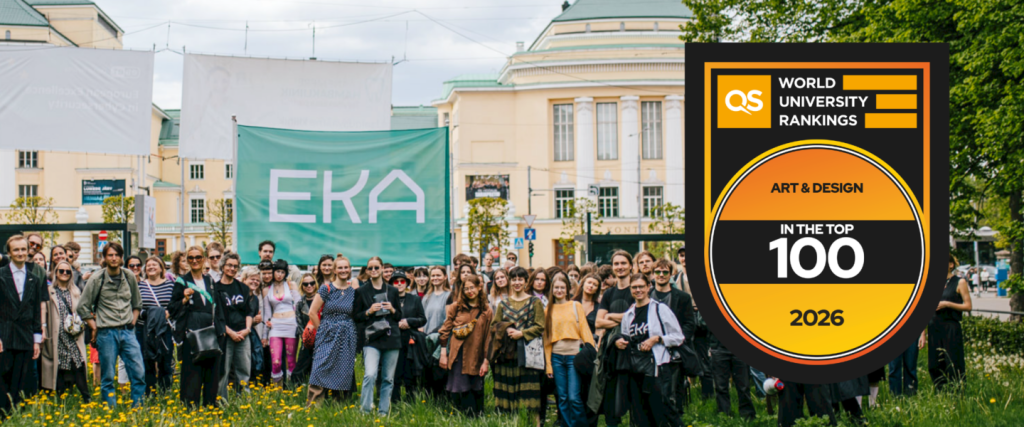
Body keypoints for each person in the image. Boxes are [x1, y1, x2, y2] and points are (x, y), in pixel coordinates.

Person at [77, 242, 146, 409]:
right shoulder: (97, 278)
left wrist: (133, 321)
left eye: (117, 255)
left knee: (138, 372)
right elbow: (82, 306)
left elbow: (137, 303)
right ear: (104, 257)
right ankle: (111, 411)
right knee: (107, 376)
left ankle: (138, 408)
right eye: (110, 255)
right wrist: (94, 326)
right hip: (106, 333)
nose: (114, 258)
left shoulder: (129, 276)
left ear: (121, 258)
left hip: (128, 331)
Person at [614, 273, 685, 427]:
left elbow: (678, 337)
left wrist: (657, 339)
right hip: (635, 368)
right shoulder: (628, 315)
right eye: (634, 287)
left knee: (662, 410)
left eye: (641, 286)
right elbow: (627, 337)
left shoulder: (660, 309)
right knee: (640, 413)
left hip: (657, 367)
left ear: (648, 287)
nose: (638, 290)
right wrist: (619, 341)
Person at [169, 246, 226, 408]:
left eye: (198, 257)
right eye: (191, 258)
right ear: (187, 261)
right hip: (191, 333)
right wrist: (184, 300)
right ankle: (190, 407)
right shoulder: (182, 282)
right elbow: (172, 309)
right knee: (191, 372)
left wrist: (221, 331)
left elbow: (219, 308)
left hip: (211, 332)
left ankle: (210, 405)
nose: (195, 261)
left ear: (204, 259)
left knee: (211, 372)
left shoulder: (210, 281)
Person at [491, 266, 546, 426]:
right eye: (513, 279)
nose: (516, 282)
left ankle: (535, 424)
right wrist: (506, 328)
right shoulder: (503, 303)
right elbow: (494, 325)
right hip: (507, 354)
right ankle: (511, 423)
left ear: (526, 281)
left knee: (530, 394)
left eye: (520, 279)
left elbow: (540, 326)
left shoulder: (534, 302)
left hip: (528, 354)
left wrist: (521, 333)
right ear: (509, 280)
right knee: (508, 393)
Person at [0, 235, 44, 418]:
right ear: (9, 252)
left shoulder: (34, 278)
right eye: (16, 250)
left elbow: (36, 312)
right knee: (3, 378)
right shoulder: (1, 275)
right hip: (4, 334)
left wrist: (37, 341)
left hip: (25, 336)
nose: (20, 253)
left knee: (21, 378)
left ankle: (15, 416)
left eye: (23, 249)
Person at [305, 256, 358, 405]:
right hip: (327, 332)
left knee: (342, 369)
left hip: (347, 334)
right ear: (335, 270)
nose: (343, 270)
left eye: (345, 267)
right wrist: (322, 329)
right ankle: (314, 405)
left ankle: (339, 405)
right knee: (319, 367)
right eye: (340, 268)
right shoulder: (326, 288)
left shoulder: (353, 291)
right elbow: (312, 312)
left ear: (349, 269)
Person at [353, 256, 403, 415]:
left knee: (388, 378)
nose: (373, 270)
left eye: (376, 267)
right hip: (372, 338)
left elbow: (399, 316)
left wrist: (393, 309)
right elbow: (356, 316)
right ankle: (365, 411)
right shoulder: (361, 291)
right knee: (370, 374)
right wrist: (369, 311)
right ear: (367, 271)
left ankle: (383, 412)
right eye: (370, 268)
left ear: (382, 268)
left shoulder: (393, 290)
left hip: (391, 337)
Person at [544, 273, 595, 427]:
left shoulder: (575, 305)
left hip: (574, 356)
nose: (559, 290)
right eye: (556, 288)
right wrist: (548, 364)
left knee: (574, 397)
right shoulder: (549, 310)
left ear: (567, 290)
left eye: (562, 288)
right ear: (552, 290)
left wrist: (591, 352)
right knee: (563, 397)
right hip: (557, 357)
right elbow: (546, 340)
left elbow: (585, 330)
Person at [439, 274, 493, 417]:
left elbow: (489, 337)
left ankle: (477, 418)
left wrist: (486, 361)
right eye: (466, 288)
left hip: (476, 355)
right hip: (458, 354)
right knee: (459, 387)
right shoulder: (456, 307)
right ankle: (461, 419)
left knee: (476, 387)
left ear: (479, 288)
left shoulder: (487, 310)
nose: (469, 291)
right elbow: (445, 331)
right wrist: (443, 353)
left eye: (472, 288)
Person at [594, 250, 636, 427]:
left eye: (623, 263)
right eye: (616, 264)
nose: (620, 267)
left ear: (630, 266)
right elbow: (598, 322)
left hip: (634, 348)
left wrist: (610, 316)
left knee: (634, 391)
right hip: (611, 348)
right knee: (611, 390)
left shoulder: (636, 289)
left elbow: (638, 317)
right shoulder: (609, 293)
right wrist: (623, 317)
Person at [650, 259, 696, 413]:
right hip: (651, 350)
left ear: (671, 274)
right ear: (653, 273)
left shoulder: (682, 297)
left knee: (675, 390)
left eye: (665, 272)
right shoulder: (647, 295)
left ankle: (676, 419)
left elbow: (690, 323)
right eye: (658, 271)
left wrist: (678, 341)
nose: (661, 275)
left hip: (675, 350)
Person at [41, 260, 89, 403]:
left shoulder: (75, 291)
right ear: (56, 273)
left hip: (73, 335)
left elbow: (82, 311)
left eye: (67, 271)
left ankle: (86, 397)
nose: (64, 274)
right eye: (61, 271)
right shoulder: (49, 292)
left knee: (78, 364)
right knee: (60, 366)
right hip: (57, 335)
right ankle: (61, 401)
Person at [927, 254, 972, 391]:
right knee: (934, 364)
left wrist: (947, 304)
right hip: (934, 327)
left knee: (953, 362)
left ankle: (957, 392)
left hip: (951, 327)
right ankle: (940, 392)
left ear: (951, 265)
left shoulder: (960, 282)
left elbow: (968, 306)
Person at [217, 253, 254, 398]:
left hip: (243, 335)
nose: (232, 269)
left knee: (244, 370)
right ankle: (221, 402)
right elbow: (216, 316)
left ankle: (244, 401)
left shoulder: (243, 288)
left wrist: (247, 329)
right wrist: (230, 332)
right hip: (225, 335)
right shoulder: (216, 288)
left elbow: (249, 311)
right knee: (223, 371)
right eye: (229, 265)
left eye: (235, 266)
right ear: (223, 266)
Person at [138, 256, 175, 394]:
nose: (151, 267)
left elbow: (175, 306)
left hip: (164, 329)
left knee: (165, 361)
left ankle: (165, 392)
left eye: (155, 264)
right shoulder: (140, 286)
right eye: (148, 265)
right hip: (145, 329)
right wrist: (150, 315)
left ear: (161, 268)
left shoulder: (171, 285)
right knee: (147, 361)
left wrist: (168, 313)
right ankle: (150, 392)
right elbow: (135, 306)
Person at [263, 259, 300, 386]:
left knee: (291, 361)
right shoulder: (267, 289)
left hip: (291, 324)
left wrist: (301, 327)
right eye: (277, 271)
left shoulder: (291, 285)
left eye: (282, 272)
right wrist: (264, 335)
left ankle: (292, 389)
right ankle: (277, 393)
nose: (279, 274)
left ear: (286, 273)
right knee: (276, 361)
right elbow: (267, 314)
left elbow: (299, 306)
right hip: (275, 326)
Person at [391, 270, 425, 403]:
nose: (399, 284)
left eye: (402, 281)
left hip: (411, 341)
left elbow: (422, 319)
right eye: (396, 281)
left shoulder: (415, 299)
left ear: (406, 283)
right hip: (393, 340)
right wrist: (396, 324)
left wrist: (409, 322)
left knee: (411, 373)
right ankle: (395, 402)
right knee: (394, 373)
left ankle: (412, 402)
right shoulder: (388, 299)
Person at [709, 326, 755, 419]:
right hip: (719, 347)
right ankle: (724, 415)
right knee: (720, 386)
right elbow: (702, 322)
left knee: (743, 385)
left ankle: (747, 415)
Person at [422, 265, 451, 399]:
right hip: (427, 340)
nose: (435, 278)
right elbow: (422, 318)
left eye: (438, 275)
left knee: (440, 372)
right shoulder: (427, 297)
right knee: (427, 373)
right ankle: (429, 402)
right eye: (433, 275)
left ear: (445, 277)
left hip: (441, 340)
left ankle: (442, 401)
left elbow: (448, 320)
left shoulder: (449, 296)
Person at [293, 271, 322, 387]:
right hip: (307, 339)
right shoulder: (300, 304)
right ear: (302, 286)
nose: (309, 286)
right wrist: (305, 337)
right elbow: (299, 322)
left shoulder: (322, 300)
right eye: (306, 284)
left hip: (321, 338)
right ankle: (295, 389)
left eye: (311, 283)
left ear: (315, 284)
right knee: (300, 366)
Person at [573, 273, 603, 338]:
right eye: (589, 283)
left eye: (595, 285)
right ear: (583, 284)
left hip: (591, 341)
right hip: (573, 341)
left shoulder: (599, 306)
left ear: (597, 289)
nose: (591, 286)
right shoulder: (572, 303)